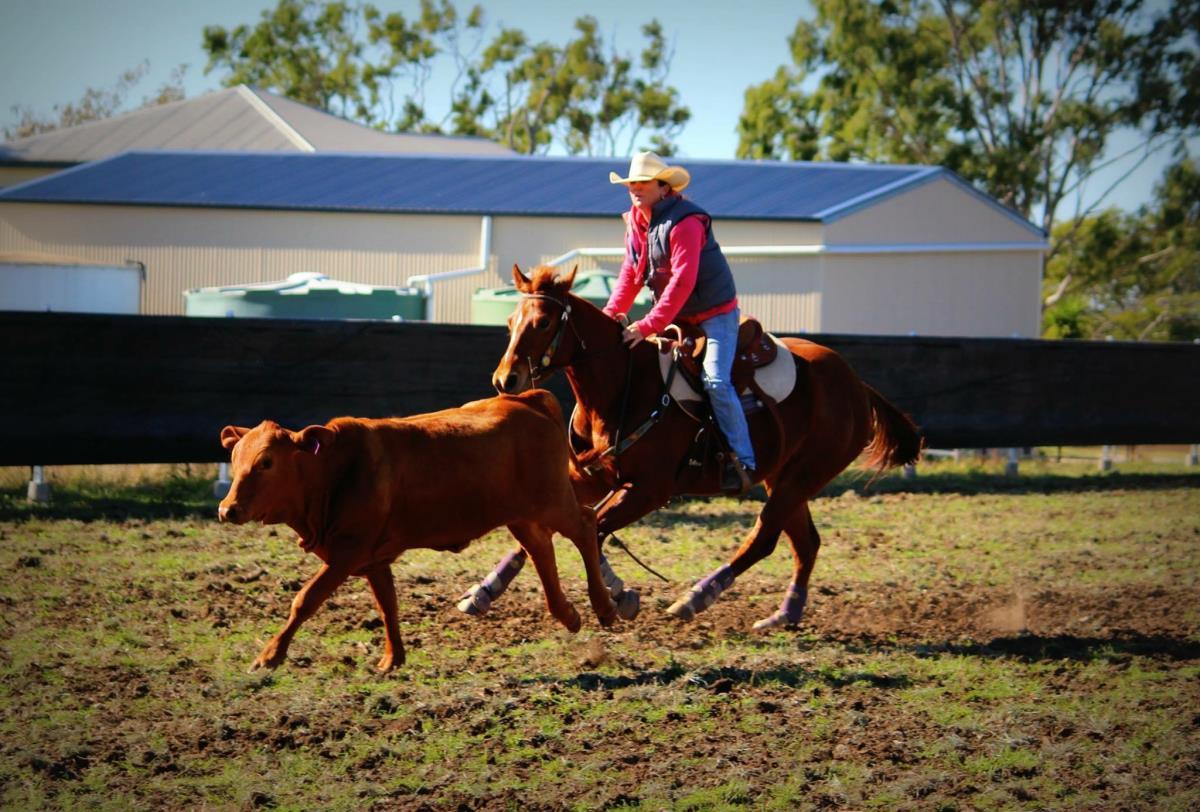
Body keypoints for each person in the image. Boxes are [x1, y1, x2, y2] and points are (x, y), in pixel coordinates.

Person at [603, 151, 757, 496]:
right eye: (631, 183)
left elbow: (682, 281)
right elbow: (630, 274)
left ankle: (744, 461)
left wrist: (647, 325)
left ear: (663, 187)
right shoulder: (635, 223)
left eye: (643, 183)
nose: (635, 189)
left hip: (715, 314)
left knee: (716, 381)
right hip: (678, 317)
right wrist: (610, 315)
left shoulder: (686, 222)